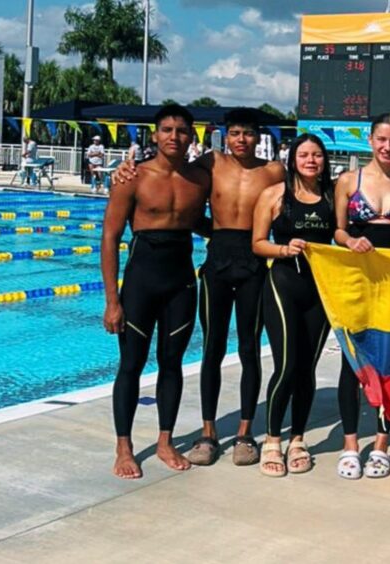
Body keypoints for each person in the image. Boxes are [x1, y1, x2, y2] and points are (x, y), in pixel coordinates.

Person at [113, 108, 287, 468]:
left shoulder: (273, 171)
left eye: (248, 133)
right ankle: (205, 433)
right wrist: (124, 168)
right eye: (235, 133)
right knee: (209, 349)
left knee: (248, 348)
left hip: (252, 261)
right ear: (225, 135)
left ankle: (243, 433)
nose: (241, 139)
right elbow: (178, 194)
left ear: (259, 137)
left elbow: (301, 200)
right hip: (213, 263)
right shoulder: (211, 164)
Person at [100, 104, 210, 479]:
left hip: (181, 282)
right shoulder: (132, 177)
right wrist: (112, 301)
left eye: (181, 130)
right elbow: (110, 237)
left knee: (172, 363)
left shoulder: (200, 178)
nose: (174, 136)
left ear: (192, 136)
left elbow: (204, 219)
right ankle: (124, 446)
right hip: (141, 283)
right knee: (131, 364)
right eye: (166, 129)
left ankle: (165, 441)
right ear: (155, 135)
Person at [333, 112, 390, 480]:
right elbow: (337, 231)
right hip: (356, 281)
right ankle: (350, 445)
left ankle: (382, 444)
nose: (388, 146)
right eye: (381, 139)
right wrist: (351, 240)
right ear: (370, 140)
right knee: (351, 363)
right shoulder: (348, 180)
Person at [252, 134, 336, 477]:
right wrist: (284, 250)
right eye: (304, 155)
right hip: (284, 283)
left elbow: (342, 232)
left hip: (321, 289)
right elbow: (258, 243)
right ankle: (272, 440)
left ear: (325, 160)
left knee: (306, 368)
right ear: (293, 159)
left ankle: (298, 439)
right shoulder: (274, 195)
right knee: (286, 365)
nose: (311, 160)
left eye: (317, 155)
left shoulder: (333, 196)